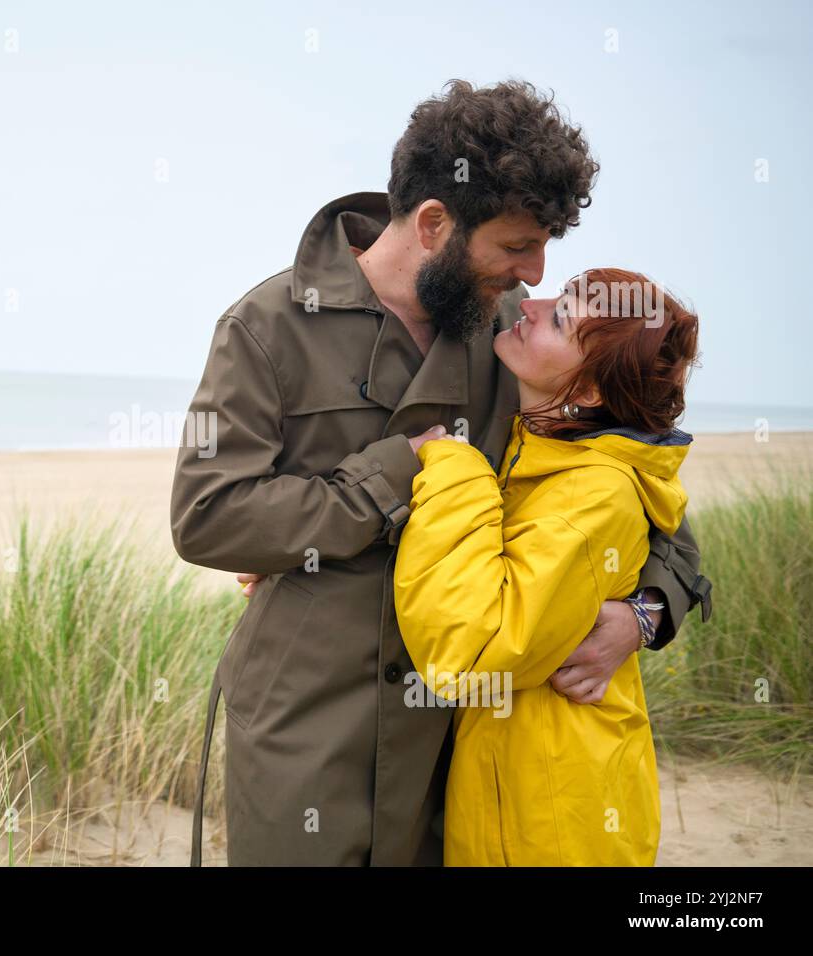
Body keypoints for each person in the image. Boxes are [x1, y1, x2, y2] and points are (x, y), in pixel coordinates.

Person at [171, 79, 713, 867]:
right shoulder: (263, 328)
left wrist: (642, 617)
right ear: (434, 224)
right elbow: (208, 516)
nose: (534, 274)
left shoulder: (514, 343)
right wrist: (394, 474)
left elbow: (655, 510)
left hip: (458, 743)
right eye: (516, 245)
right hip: (304, 726)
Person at [392, 268, 701, 865]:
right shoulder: (544, 448)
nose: (529, 305)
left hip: (553, 811)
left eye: (560, 317)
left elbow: (477, 650)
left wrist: (452, 467)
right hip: (522, 786)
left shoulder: (595, 488)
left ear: (586, 394)